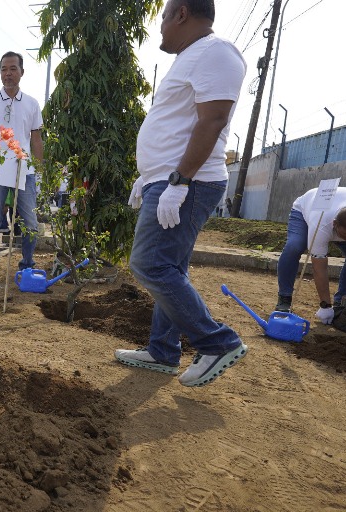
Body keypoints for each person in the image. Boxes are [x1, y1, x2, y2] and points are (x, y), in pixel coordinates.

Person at [114, 0, 248, 387]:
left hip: (189, 182)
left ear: (182, 14)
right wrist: (153, 175)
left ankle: (216, 342)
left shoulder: (216, 53)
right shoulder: (193, 57)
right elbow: (179, 123)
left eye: (162, 18)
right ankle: (162, 350)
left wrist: (179, 181)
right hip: (171, 179)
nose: (159, 28)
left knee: (149, 265)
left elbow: (214, 119)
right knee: (169, 269)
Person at [0, 51, 44, 285]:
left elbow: (36, 140)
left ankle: (27, 266)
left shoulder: (32, 103)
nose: (8, 73)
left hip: (24, 169)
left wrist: (39, 173)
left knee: (30, 223)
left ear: (22, 72)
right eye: (4, 69)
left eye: (13, 68)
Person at [275, 187, 346, 323]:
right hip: (305, 211)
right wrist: (325, 305)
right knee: (294, 246)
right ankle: (284, 297)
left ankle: (342, 303)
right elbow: (319, 268)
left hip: (342, 216)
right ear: (335, 224)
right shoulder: (321, 225)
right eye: (345, 235)